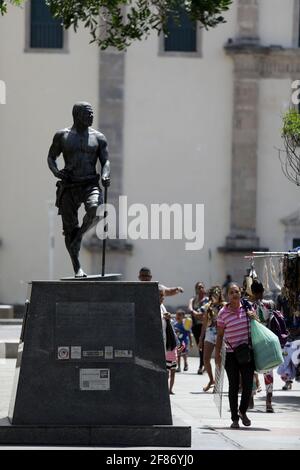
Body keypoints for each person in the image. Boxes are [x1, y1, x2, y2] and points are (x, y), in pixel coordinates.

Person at [48, 102, 110, 277]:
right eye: (87, 114)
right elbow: (51, 157)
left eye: (92, 114)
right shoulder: (62, 136)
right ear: (76, 115)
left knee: (96, 210)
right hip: (69, 185)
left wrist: (105, 174)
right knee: (69, 228)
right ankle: (77, 267)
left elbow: (105, 160)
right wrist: (56, 172)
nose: (91, 117)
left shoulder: (99, 137)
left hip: (90, 183)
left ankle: (79, 236)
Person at [215, 283, 256, 429]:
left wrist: (254, 317)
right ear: (227, 296)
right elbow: (220, 336)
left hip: (247, 352)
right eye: (231, 292)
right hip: (231, 354)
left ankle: (242, 411)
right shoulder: (222, 313)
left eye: (237, 291)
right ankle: (234, 419)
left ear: (240, 293)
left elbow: (258, 325)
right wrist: (217, 354)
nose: (235, 294)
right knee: (233, 386)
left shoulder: (248, 307)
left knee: (248, 385)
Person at [249, 279, 277, 412]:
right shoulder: (270, 304)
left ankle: (250, 399)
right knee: (268, 371)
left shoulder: (248, 306)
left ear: (252, 292)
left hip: (254, 341)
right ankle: (268, 402)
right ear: (263, 291)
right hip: (267, 341)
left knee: (251, 370)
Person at [200, 286, 225, 392]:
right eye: (213, 294)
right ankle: (211, 380)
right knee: (205, 358)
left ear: (220, 295)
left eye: (216, 294)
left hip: (221, 333)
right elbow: (205, 322)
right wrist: (201, 338)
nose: (214, 296)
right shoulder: (208, 306)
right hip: (210, 333)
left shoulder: (225, 306)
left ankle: (217, 384)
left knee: (218, 360)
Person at [159, 286, 181, 394]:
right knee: (165, 372)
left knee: (172, 372)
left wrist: (167, 318)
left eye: (163, 296)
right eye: (160, 296)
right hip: (161, 346)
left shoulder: (162, 306)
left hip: (167, 345)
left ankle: (169, 389)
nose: (162, 298)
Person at [188, 282, 209, 374]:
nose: (200, 289)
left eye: (202, 287)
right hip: (196, 326)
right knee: (200, 345)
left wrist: (197, 314)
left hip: (204, 326)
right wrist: (195, 313)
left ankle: (202, 365)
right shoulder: (193, 299)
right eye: (198, 287)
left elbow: (206, 313)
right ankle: (203, 364)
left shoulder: (207, 300)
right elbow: (189, 308)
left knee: (204, 345)